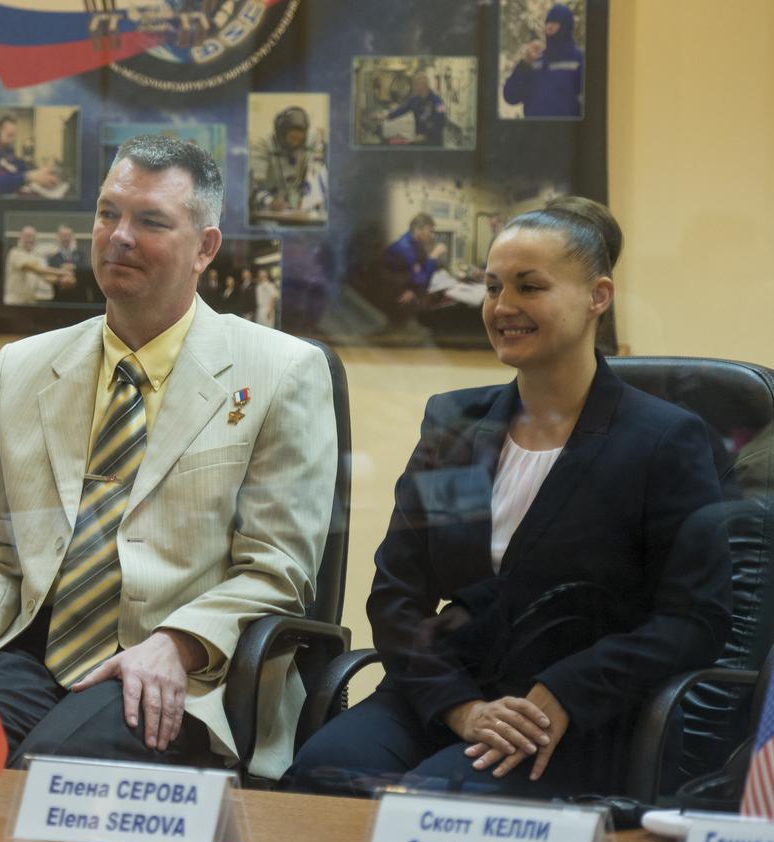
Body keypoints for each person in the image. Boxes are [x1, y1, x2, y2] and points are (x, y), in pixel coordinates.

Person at [283, 197, 731, 798]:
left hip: (571, 714)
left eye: (530, 286)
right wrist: (460, 706)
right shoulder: (456, 424)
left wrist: (565, 691)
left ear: (598, 296)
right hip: (445, 694)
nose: (503, 307)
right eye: (492, 287)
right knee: (323, 772)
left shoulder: (663, 440)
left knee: (435, 803)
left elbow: (694, 619)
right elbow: (398, 593)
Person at [0, 135, 336, 780]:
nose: (118, 237)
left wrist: (176, 644)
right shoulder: (23, 366)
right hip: (32, 647)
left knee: (48, 776)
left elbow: (280, 571)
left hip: (180, 667)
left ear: (205, 249)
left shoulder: (281, 370)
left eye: (151, 221)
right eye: (107, 213)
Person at [503, 4, 584, 118]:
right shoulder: (534, 59)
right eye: (548, 22)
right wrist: (525, 64)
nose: (549, 27)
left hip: (564, 132)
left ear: (566, 26)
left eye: (555, 23)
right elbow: (511, 96)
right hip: (535, 132)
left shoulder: (579, 59)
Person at [248, 106, 326, 220]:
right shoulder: (263, 145)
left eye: (300, 140)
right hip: (269, 210)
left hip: (299, 209)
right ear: (281, 134)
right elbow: (253, 186)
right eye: (292, 138)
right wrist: (270, 201)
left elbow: (315, 177)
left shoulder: (312, 142)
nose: (296, 143)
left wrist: (309, 200)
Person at [0, 116, 60, 196]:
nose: (12, 140)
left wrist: (40, 172)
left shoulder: (8, 151)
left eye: (13, 136)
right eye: (9, 135)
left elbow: (21, 168)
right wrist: (29, 176)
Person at [381, 72, 448, 146]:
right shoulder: (414, 99)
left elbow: (442, 122)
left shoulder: (439, 101)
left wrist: (426, 135)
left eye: (417, 85)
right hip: (419, 139)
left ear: (424, 86)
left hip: (434, 141)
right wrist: (387, 116)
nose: (415, 88)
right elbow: (403, 108)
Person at [3, 225, 62, 305]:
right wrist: (61, 272)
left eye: (32, 237)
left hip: (30, 303)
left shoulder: (36, 258)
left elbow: (46, 277)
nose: (29, 239)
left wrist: (62, 280)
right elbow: (33, 268)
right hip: (13, 302)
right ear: (20, 237)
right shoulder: (15, 253)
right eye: (27, 236)